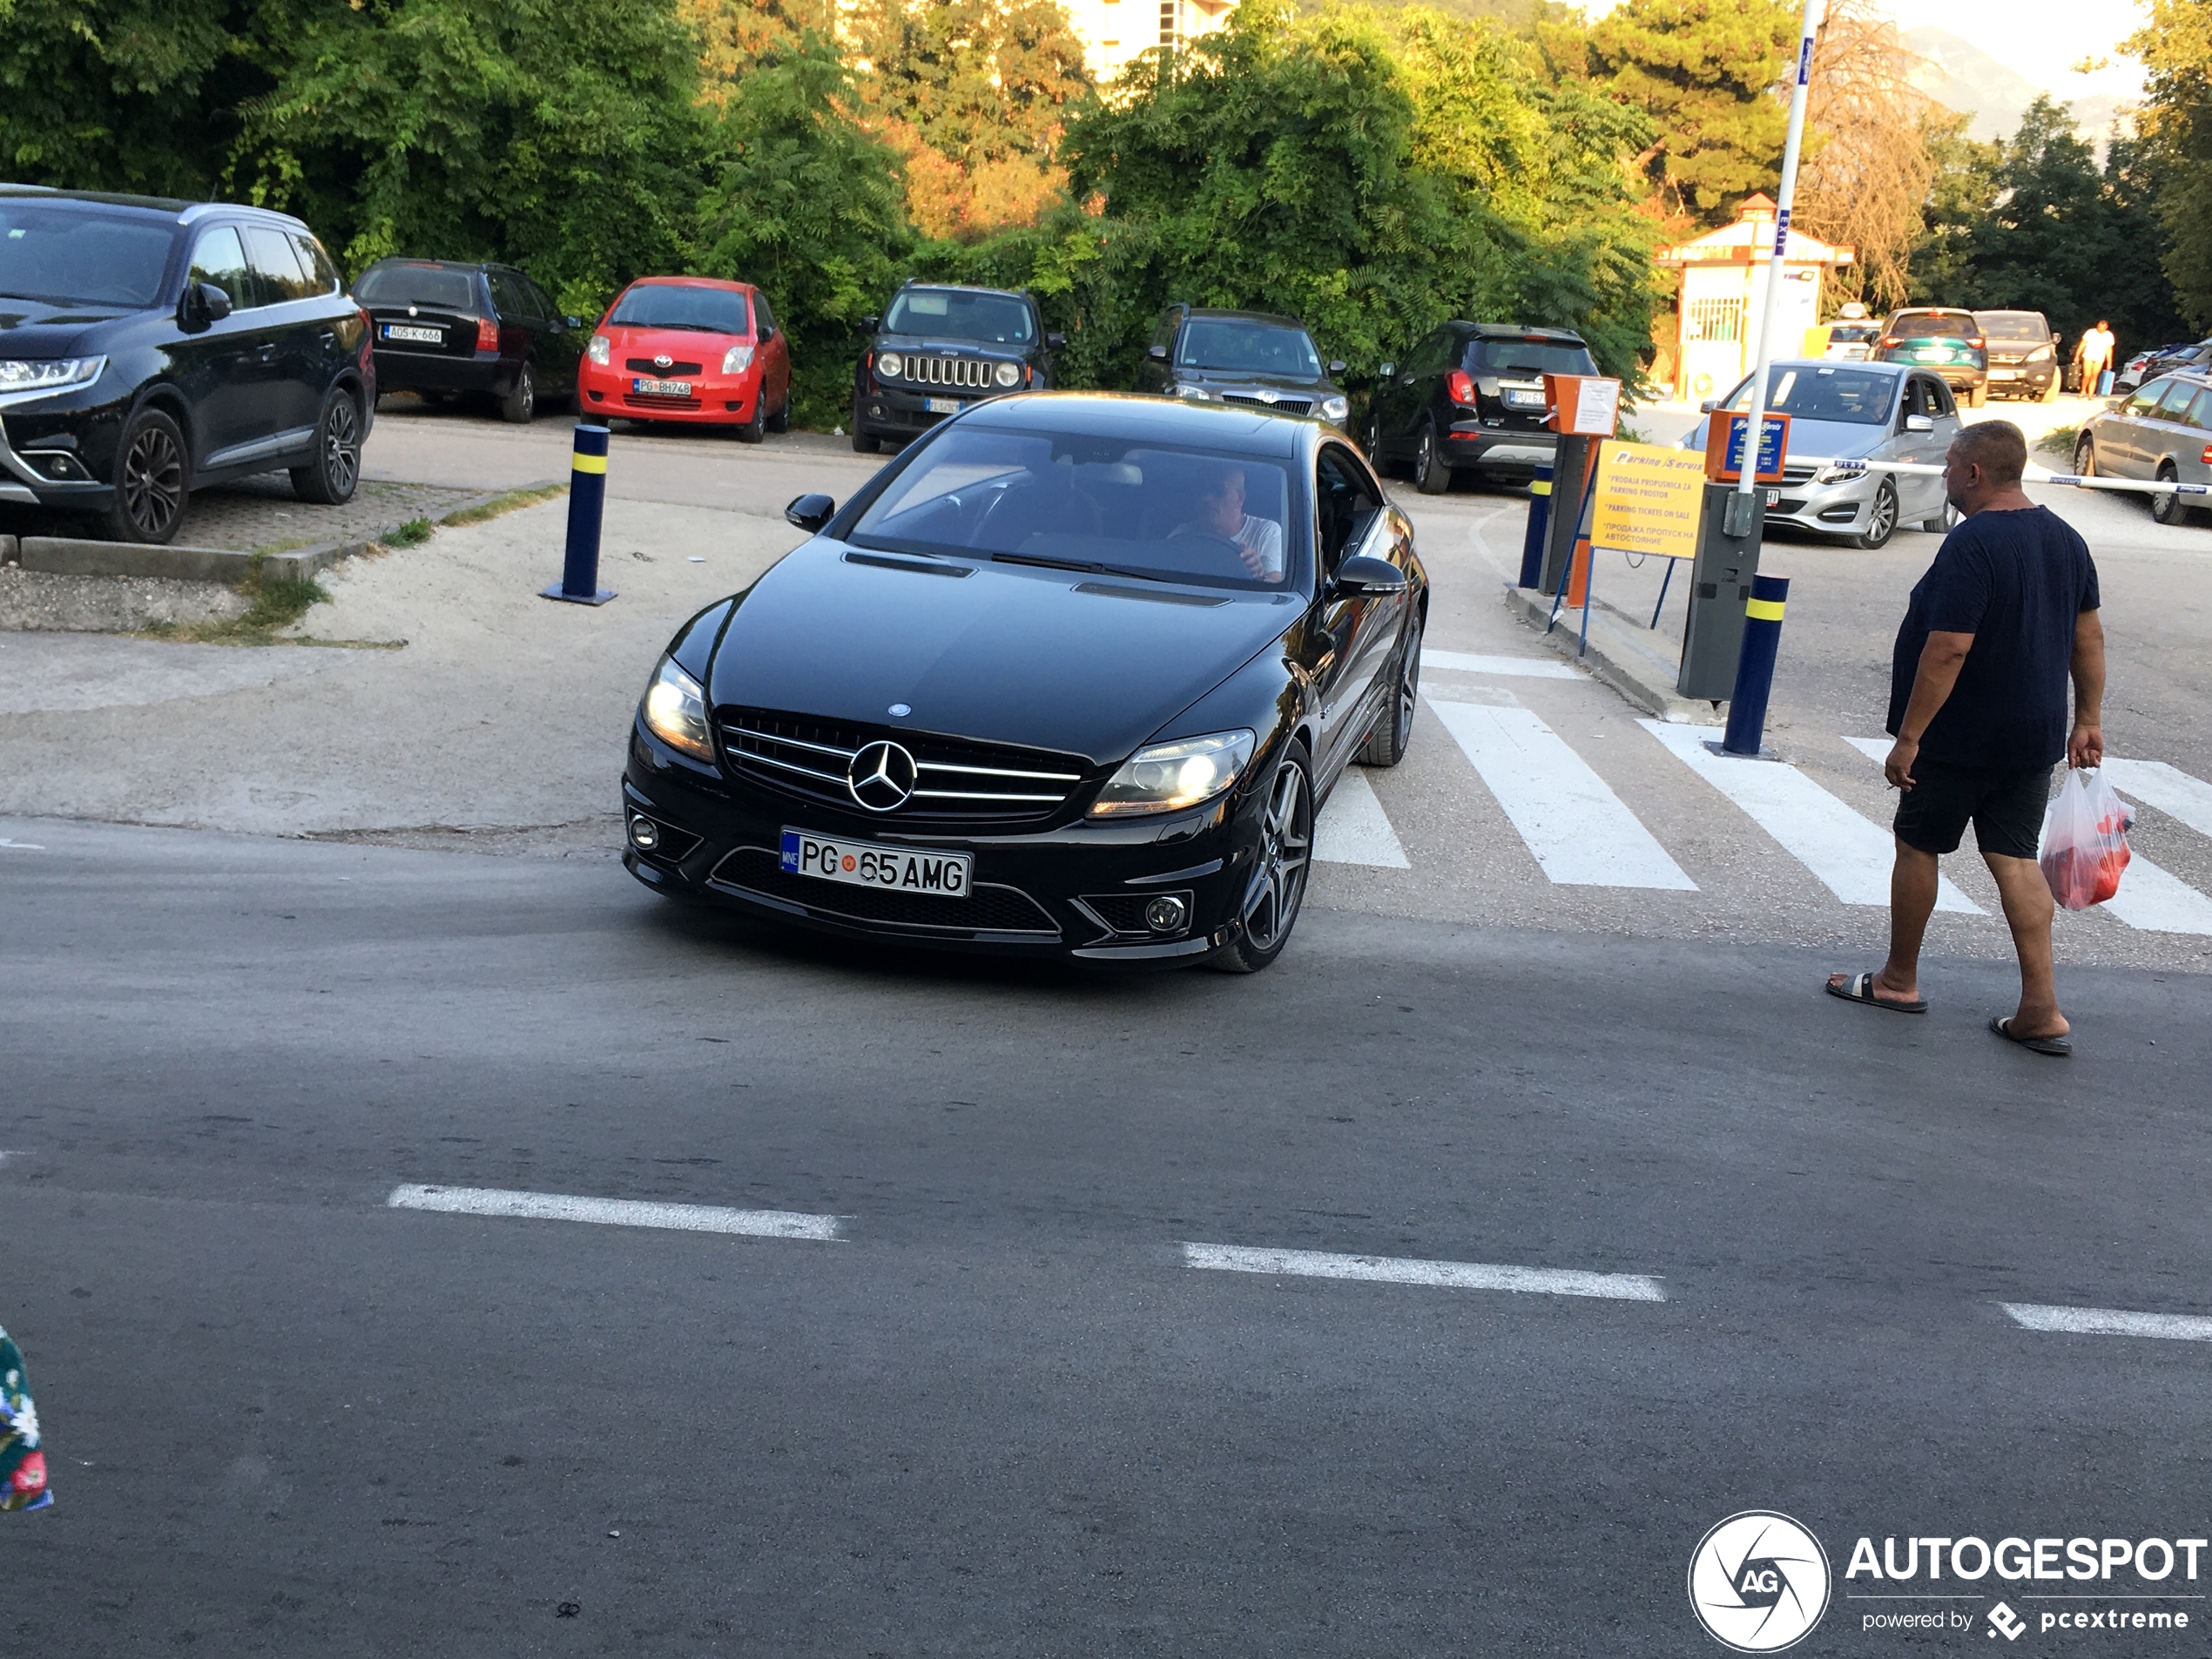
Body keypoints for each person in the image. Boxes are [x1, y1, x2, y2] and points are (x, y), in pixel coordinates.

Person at [1825, 420, 2104, 1057]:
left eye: (1951, 466)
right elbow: (2087, 636)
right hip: (2032, 735)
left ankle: (1898, 980)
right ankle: (2041, 1007)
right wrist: (2087, 717)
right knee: (2014, 856)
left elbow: (1949, 648)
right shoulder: (2066, 539)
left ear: (1975, 473)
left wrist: (1909, 738)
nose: (1945, 475)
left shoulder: (1973, 544)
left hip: (1959, 736)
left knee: (1918, 843)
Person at [1174, 462, 1283, 582]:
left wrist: (1259, 575)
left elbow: (1276, 587)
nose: (1207, 498)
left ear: (1240, 499)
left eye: (1218, 491)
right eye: (1201, 490)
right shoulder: (1183, 535)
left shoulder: (1265, 532)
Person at [2074, 320, 2116, 395]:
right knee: (2087, 375)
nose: (2100, 329)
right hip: (2088, 356)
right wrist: (2077, 356)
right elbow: (2082, 344)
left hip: (2099, 358)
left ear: (2106, 327)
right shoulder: (2090, 332)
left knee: (2094, 376)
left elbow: (2109, 350)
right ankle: (2083, 391)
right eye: (2099, 327)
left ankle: (2091, 394)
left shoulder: (2109, 335)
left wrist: (2109, 362)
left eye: (2103, 327)